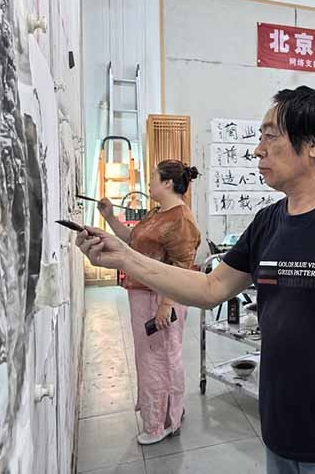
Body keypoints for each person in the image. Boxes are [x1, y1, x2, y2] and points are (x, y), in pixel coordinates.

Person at [77, 86, 315, 474]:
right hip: (279, 433)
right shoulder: (268, 222)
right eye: (259, 137)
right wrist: (125, 257)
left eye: (271, 136)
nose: (257, 150)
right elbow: (210, 288)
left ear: (314, 144)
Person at [97, 160, 201, 445]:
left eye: (153, 177)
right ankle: (170, 412)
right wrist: (110, 217)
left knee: (159, 360)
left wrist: (166, 305)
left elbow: (182, 266)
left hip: (160, 298)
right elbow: (133, 240)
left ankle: (161, 423)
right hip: (145, 295)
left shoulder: (180, 219)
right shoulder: (158, 213)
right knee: (153, 358)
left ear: (167, 183)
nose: (149, 182)